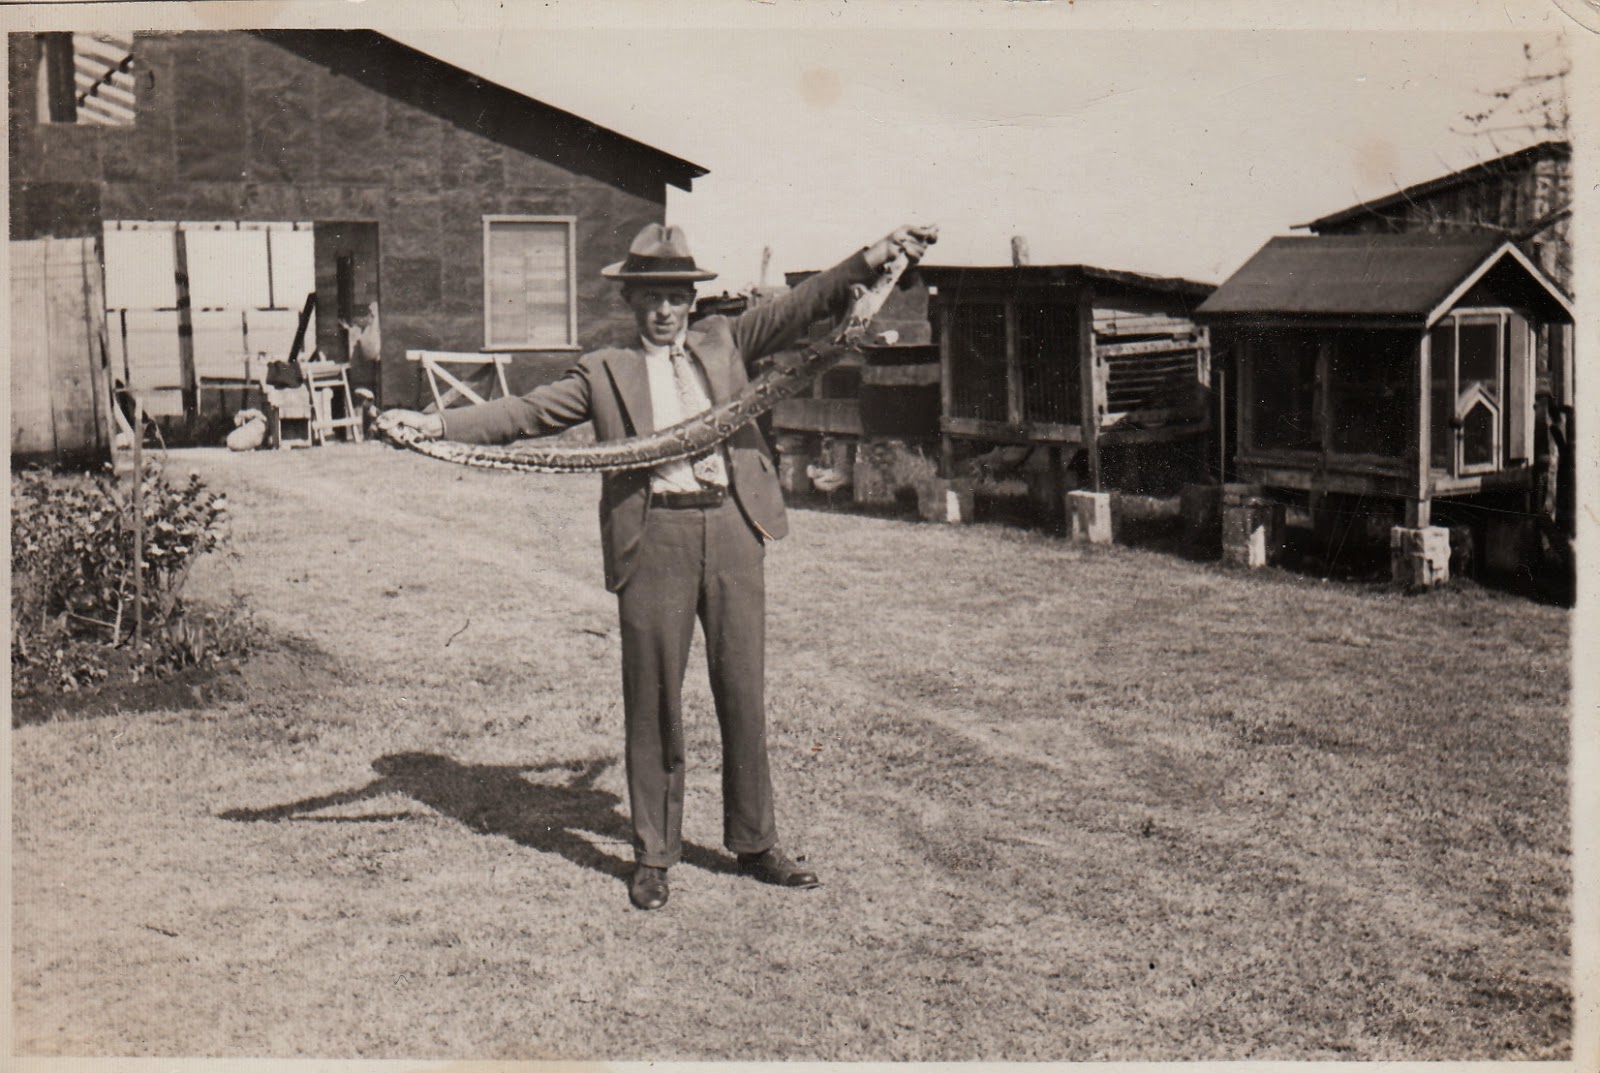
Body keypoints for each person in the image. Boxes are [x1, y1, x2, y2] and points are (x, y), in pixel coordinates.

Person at [378, 221, 936, 910]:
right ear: (631, 302)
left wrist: (875, 256)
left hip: (733, 529)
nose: (665, 310)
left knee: (743, 691)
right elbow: (525, 413)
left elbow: (806, 303)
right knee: (654, 702)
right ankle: (653, 853)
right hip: (655, 541)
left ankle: (756, 842)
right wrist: (433, 425)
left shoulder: (726, 340)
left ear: (691, 299)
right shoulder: (604, 371)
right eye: (651, 297)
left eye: (675, 295)